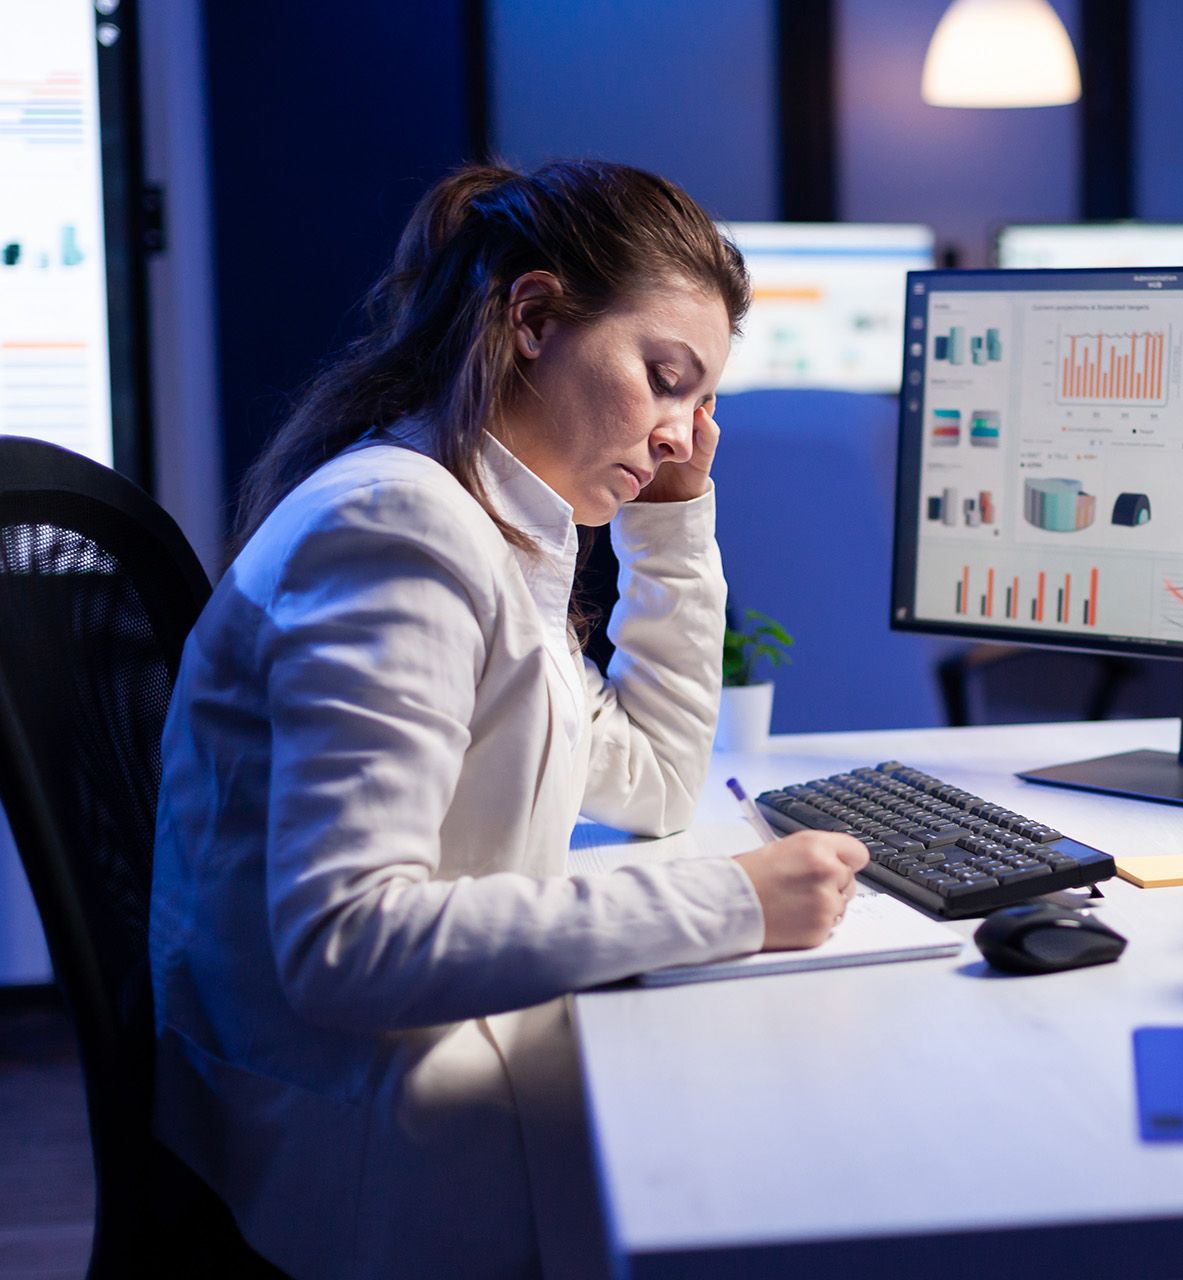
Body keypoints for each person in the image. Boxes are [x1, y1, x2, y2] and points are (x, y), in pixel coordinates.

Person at [148, 160, 868, 1279]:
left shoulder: (492, 527)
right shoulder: (401, 531)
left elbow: (657, 779)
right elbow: (345, 944)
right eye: (664, 377)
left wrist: (672, 523)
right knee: (795, 1145)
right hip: (353, 1127)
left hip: (392, 1072)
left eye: (704, 401)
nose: (684, 433)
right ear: (531, 316)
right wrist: (730, 899)